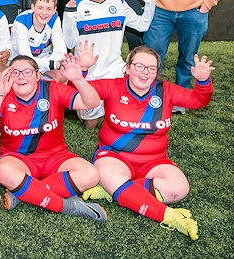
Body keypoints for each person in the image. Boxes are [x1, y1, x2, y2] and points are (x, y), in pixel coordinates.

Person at [81, 46, 214, 240]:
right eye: (139, 66)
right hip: (114, 156)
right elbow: (74, 94)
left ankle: (114, 190)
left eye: (151, 68)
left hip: (154, 160)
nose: (145, 72)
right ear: (127, 68)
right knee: (107, 173)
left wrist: (202, 81)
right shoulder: (113, 86)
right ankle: (170, 216)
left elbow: (198, 101)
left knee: (179, 188)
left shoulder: (166, 90)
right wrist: (83, 71)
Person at [0, 54, 107, 222]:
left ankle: (24, 193)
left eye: (27, 72)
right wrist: (0, 95)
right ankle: (68, 206)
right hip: (19, 160)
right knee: (2, 171)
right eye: (15, 72)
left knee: (91, 174)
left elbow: (91, 102)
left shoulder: (52, 89)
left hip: (55, 156)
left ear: (38, 76)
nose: (21, 77)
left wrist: (79, 80)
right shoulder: (4, 94)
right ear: (9, 76)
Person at [63, 0, 156, 128]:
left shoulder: (118, 3)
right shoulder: (78, 6)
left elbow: (142, 25)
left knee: (123, 120)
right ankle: (85, 103)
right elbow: (69, 42)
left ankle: (111, 103)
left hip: (114, 70)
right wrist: (69, 15)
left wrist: (150, 0)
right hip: (89, 73)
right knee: (91, 124)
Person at [11, 0, 67, 81]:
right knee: (29, 74)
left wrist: (51, 63)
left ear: (54, 10)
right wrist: (52, 64)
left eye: (49, 9)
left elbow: (61, 53)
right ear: (33, 7)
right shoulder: (21, 21)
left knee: (61, 76)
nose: (44, 13)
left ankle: (47, 93)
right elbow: (25, 59)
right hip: (20, 64)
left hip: (43, 61)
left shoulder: (55, 19)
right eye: (40, 8)